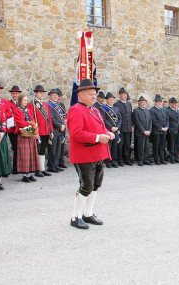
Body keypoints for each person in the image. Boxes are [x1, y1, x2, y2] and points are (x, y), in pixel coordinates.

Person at [66, 78, 112, 230]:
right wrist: (99, 138)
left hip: (98, 153)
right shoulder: (75, 110)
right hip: (84, 154)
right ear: (81, 95)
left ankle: (88, 213)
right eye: (91, 94)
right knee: (86, 186)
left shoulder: (95, 110)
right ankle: (75, 216)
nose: (94, 96)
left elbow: (100, 128)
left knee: (95, 185)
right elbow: (76, 133)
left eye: (94, 94)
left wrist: (106, 133)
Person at [31, 86, 55, 176]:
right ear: (36, 93)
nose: (42, 94)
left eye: (43, 93)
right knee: (37, 150)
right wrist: (34, 131)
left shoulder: (45, 104)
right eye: (40, 93)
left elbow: (49, 119)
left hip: (46, 130)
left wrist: (51, 131)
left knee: (43, 150)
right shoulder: (32, 104)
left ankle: (42, 168)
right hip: (38, 130)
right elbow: (32, 118)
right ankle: (37, 169)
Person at [47, 89, 68, 171]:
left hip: (60, 130)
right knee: (52, 149)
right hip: (54, 130)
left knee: (58, 149)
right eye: (54, 95)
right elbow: (51, 118)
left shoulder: (58, 105)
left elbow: (62, 116)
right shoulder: (49, 105)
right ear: (50, 96)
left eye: (56, 95)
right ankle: (51, 166)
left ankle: (56, 165)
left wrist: (62, 125)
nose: (56, 97)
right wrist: (59, 126)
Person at [115, 88, 133, 166]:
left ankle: (127, 159)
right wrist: (118, 128)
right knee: (120, 145)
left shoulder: (129, 104)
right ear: (120, 95)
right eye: (123, 94)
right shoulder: (117, 104)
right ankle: (120, 160)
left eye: (125, 95)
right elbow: (117, 117)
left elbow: (131, 116)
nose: (124, 96)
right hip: (121, 128)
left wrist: (132, 125)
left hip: (128, 127)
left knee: (127, 144)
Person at [149, 95, 169, 165]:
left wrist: (167, 127)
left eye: (161, 102)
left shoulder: (164, 109)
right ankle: (157, 160)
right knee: (156, 146)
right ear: (155, 102)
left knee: (162, 146)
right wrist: (161, 128)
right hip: (157, 131)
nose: (160, 103)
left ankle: (162, 159)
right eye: (159, 102)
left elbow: (167, 119)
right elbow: (154, 121)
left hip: (164, 131)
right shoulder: (152, 110)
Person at [165, 98, 179, 164]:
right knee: (171, 145)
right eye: (175, 104)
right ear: (171, 104)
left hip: (178, 131)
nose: (176, 105)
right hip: (172, 131)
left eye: (177, 103)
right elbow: (167, 121)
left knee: (177, 145)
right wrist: (169, 130)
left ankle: (177, 157)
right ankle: (172, 158)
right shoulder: (168, 111)